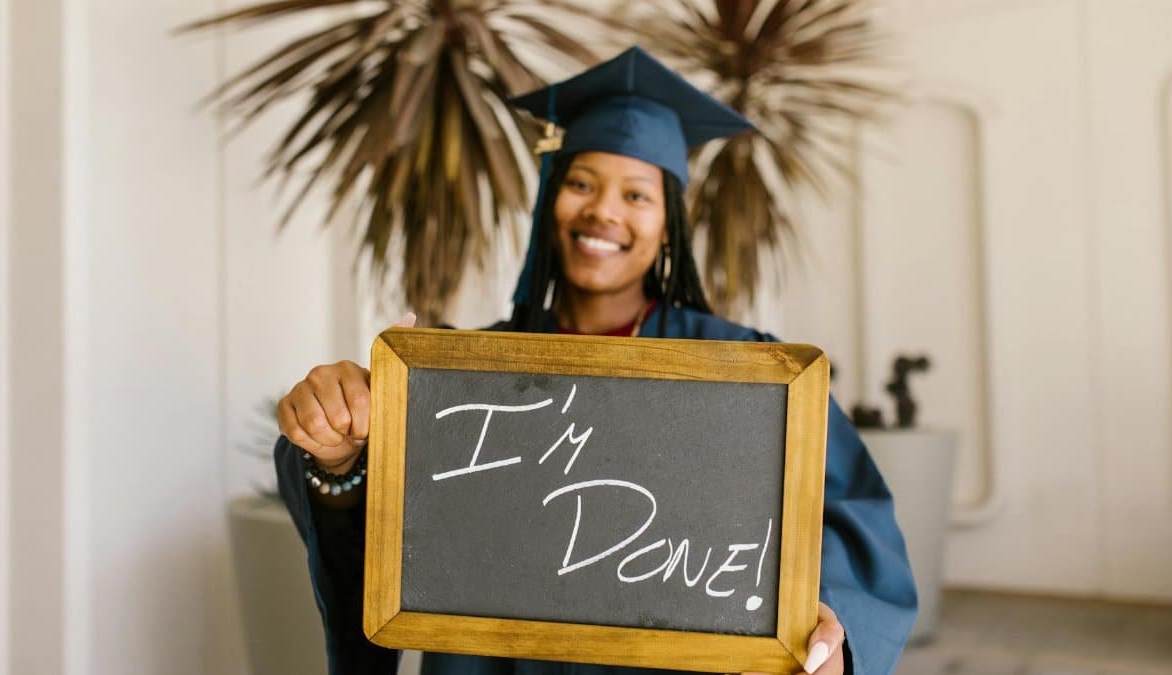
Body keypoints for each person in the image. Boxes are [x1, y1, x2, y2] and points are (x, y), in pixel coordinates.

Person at [274, 46, 917, 675]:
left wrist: (830, 632)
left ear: (670, 225)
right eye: (580, 183)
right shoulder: (470, 375)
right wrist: (340, 457)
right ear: (550, 203)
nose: (603, 210)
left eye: (636, 194)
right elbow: (397, 541)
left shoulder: (750, 370)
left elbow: (852, 521)